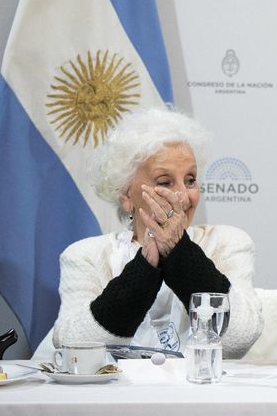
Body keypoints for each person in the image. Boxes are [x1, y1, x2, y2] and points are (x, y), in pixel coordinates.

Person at [52, 108, 263, 358]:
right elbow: (73, 347)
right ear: (126, 195)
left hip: (200, 391)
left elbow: (238, 339)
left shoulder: (227, 243)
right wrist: (143, 270)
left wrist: (180, 253)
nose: (183, 196)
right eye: (165, 182)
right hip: (117, 394)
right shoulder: (85, 255)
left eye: (190, 180)